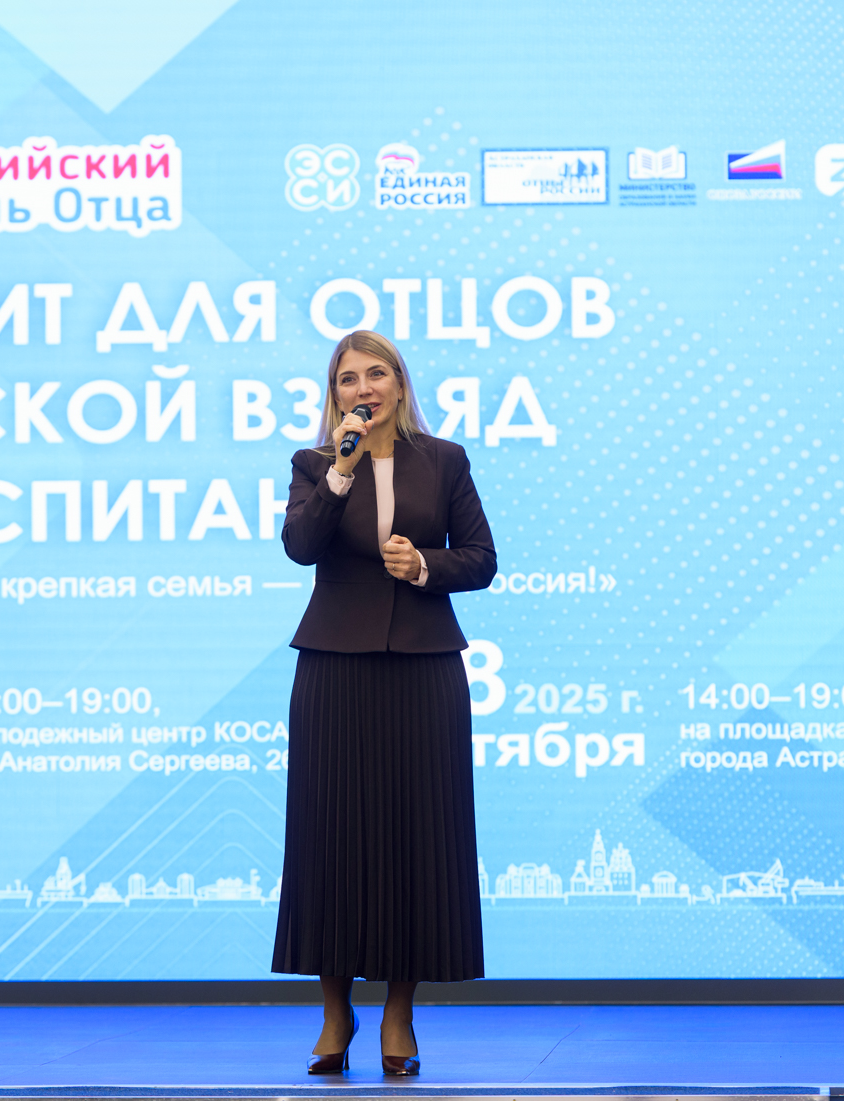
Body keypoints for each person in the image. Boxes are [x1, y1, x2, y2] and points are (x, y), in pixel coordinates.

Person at [272, 329, 497, 1076]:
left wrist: (426, 564)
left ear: (399, 384)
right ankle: (335, 1012)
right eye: (348, 378)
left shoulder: (445, 460)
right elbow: (300, 546)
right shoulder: (314, 464)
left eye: (376, 374)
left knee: (415, 837)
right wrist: (342, 470)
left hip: (424, 670)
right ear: (334, 394)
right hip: (335, 669)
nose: (363, 388)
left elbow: (482, 559)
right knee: (331, 834)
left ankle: (399, 1013)